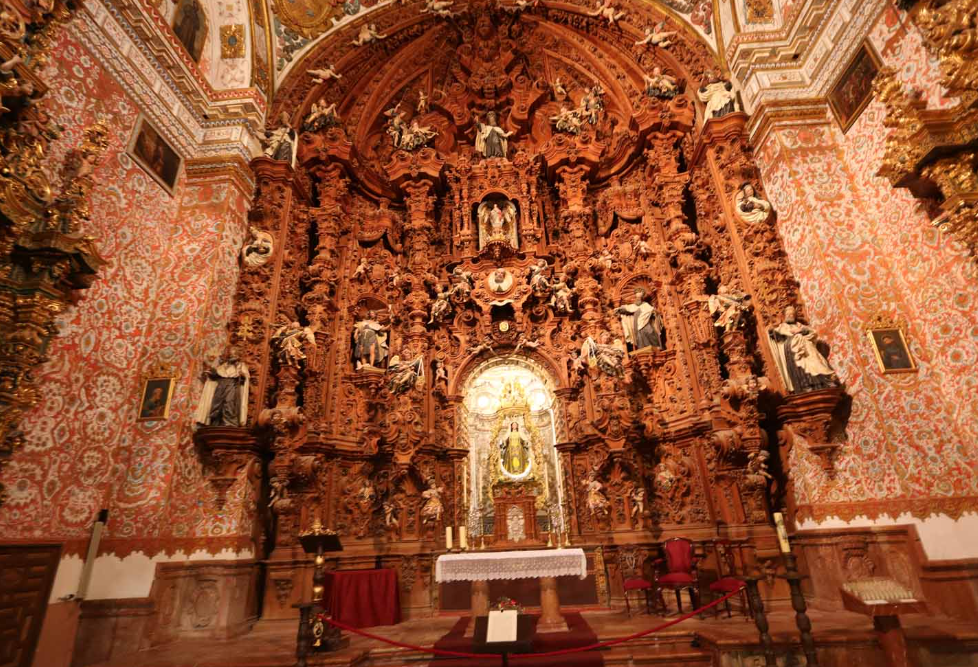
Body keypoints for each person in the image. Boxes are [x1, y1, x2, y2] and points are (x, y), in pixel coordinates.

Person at [194, 348, 249, 427]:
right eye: (231, 354)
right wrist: (211, 373)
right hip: (220, 386)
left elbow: (245, 377)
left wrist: (242, 375)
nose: (232, 356)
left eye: (234, 354)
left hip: (232, 385)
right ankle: (216, 421)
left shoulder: (240, 366)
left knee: (229, 402)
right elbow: (217, 374)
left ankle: (229, 422)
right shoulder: (223, 366)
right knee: (217, 403)